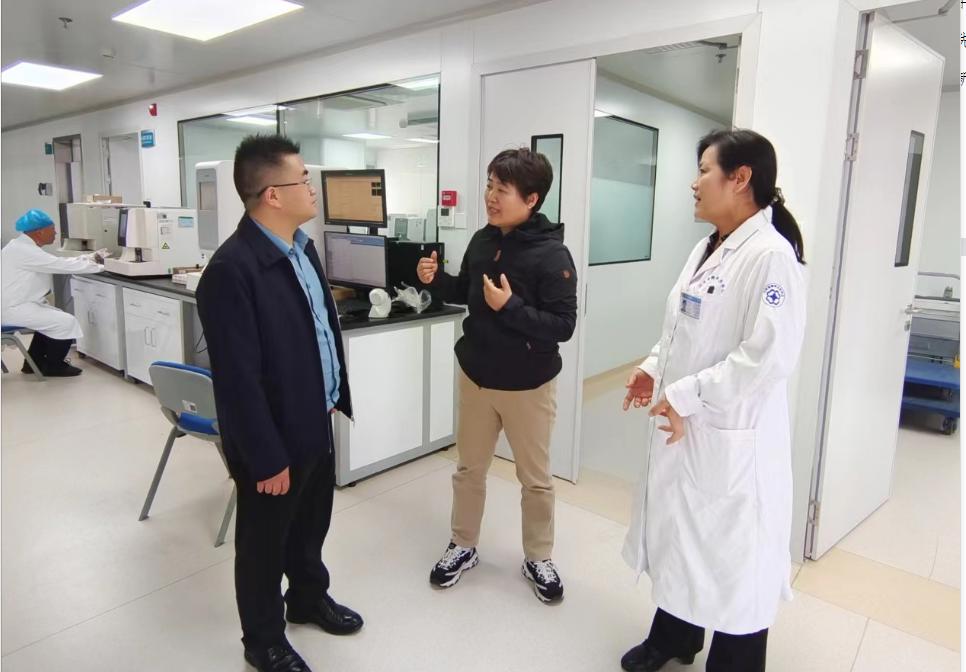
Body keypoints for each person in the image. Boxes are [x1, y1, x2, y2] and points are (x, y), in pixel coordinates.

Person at [619, 129, 807, 672]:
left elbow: (766, 358)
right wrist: (654, 368)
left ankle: (735, 663)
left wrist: (687, 395)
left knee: (733, 559)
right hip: (690, 426)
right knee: (683, 535)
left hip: (733, 439)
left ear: (740, 178)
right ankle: (675, 635)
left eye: (704, 169)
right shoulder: (707, 247)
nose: (694, 182)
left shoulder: (771, 257)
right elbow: (683, 330)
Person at [196, 135, 362, 672]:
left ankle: (308, 598)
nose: (312, 189)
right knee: (264, 543)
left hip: (315, 417)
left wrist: (332, 396)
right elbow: (237, 382)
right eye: (304, 179)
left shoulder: (301, 248)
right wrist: (265, 457)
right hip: (271, 439)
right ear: (272, 194)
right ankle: (263, 640)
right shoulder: (232, 270)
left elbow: (316, 332)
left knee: (311, 523)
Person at [417, 147, 578, 603]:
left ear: (531, 199)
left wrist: (511, 307)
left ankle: (538, 557)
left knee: (536, 479)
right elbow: (463, 290)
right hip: (477, 378)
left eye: (502, 189)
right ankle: (463, 545)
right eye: (489, 185)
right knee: (469, 469)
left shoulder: (552, 255)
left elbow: (563, 327)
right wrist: (435, 280)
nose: (490, 196)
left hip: (528, 385)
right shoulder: (482, 240)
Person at [1, 209, 107, 376]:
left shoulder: (19, 246)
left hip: (17, 304)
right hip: (13, 308)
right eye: (52, 229)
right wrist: (102, 266)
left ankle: (32, 364)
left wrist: (89, 258)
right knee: (66, 322)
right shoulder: (25, 251)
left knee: (51, 319)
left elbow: (55, 262)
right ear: (40, 232)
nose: (56, 233)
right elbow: (60, 265)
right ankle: (54, 366)